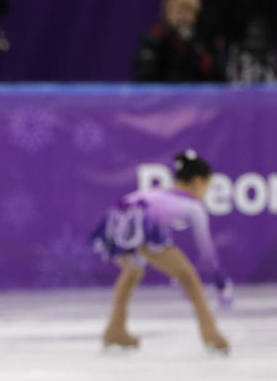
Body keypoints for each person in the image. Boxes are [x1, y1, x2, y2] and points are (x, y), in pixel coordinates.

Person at [91, 150, 232, 353]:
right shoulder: (193, 207)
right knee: (188, 275)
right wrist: (220, 281)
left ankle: (115, 328)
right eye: (208, 186)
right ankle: (209, 332)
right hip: (139, 223)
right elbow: (207, 254)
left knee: (132, 272)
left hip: (116, 218)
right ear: (199, 182)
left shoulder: (161, 193)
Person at [132, 0, 224, 82]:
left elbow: (216, 78)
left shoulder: (202, 42)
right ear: (167, 13)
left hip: (196, 95)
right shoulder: (154, 38)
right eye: (179, 12)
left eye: (189, 12)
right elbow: (143, 77)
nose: (183, 18)